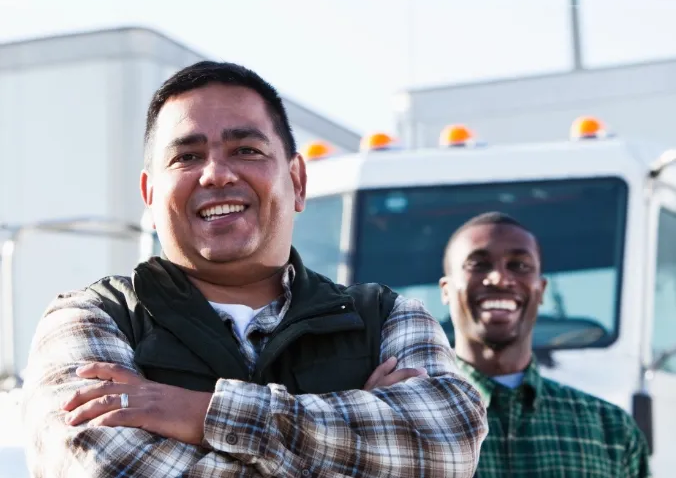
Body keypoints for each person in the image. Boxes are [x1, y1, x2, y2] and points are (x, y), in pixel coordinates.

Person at [21, 60, 488, 477]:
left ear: (297, 181)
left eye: (246, 150)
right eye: (187, 156)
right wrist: (357, 446)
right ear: (149, 195)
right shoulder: (92, 319)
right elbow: (99, 466)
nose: (216, 174)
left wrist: (203, 413)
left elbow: (448, 445)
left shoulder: (386, 317)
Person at [439, 211, 651, 477]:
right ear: (446, 290)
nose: (500, 279)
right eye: (478, 265)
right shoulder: (404, 421)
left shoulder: (612, 430)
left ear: (541, 289)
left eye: (519, 266)